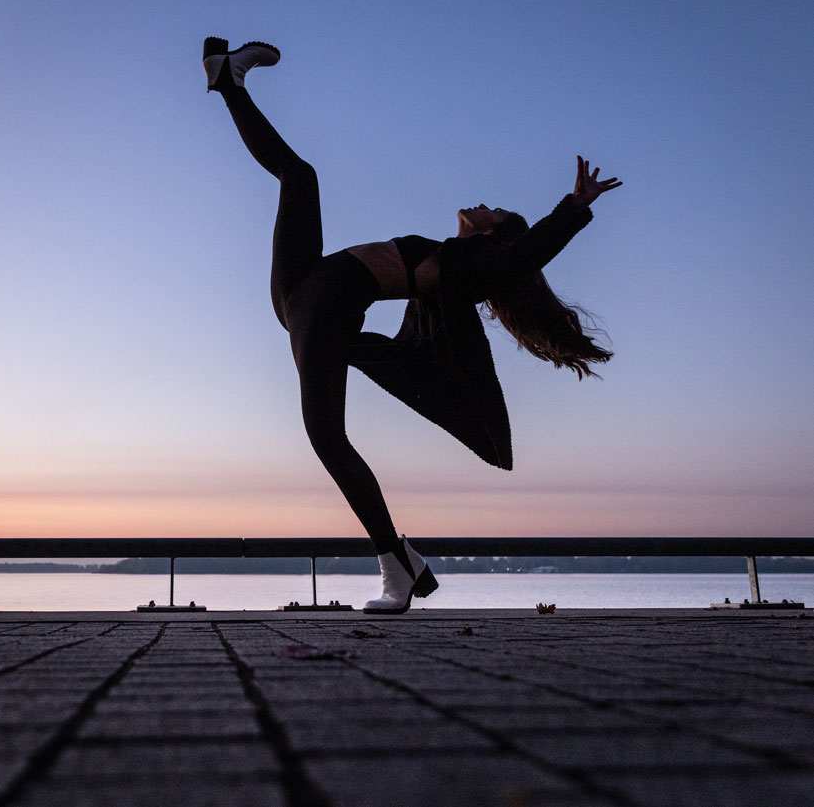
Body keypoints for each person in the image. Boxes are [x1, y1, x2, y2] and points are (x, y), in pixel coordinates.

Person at [203, 38, 622, 614]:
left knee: (329, 439)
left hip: (321, 304)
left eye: (494, 211)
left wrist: (572, 210)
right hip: (302, 291)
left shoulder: (471, 264)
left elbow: (521, 259)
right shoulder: (456, 259)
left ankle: (396, 567)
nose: (483, 203)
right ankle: (227, 81)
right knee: (300, 178)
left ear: (492, 235)